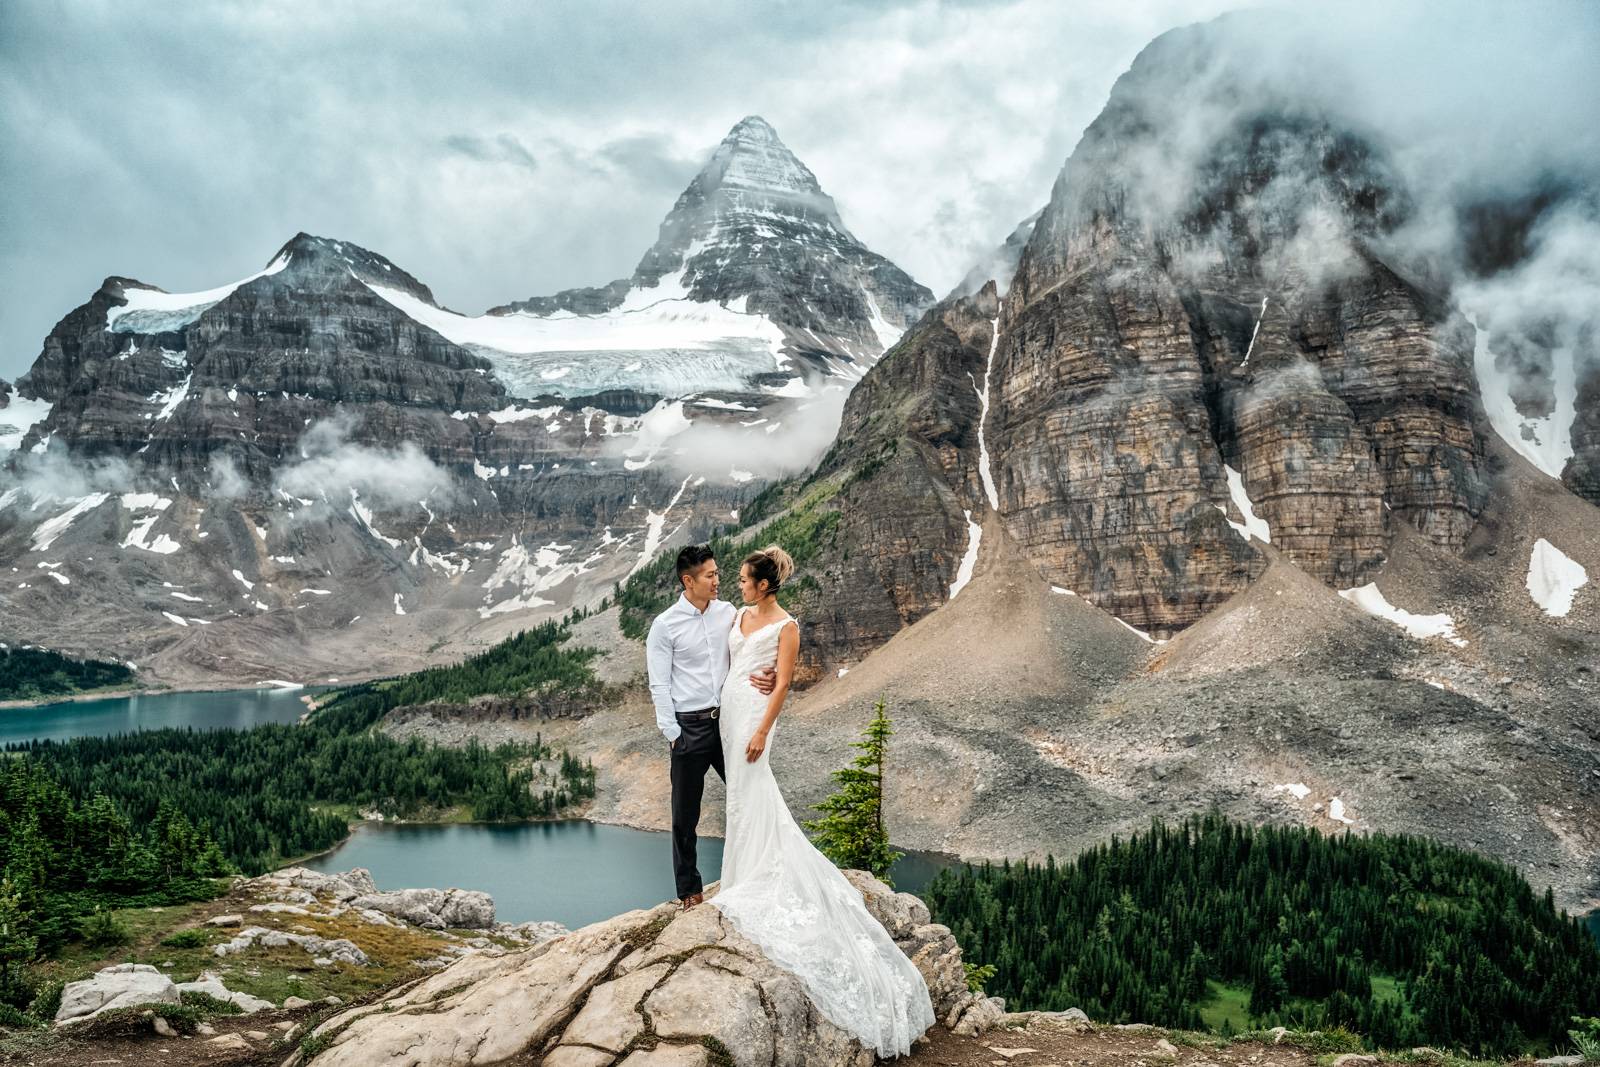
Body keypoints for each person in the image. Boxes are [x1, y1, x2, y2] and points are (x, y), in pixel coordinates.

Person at [709, 544, 935, 1058]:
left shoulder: (787, 626)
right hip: (730, 707)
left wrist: (764, 727)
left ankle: (758, 874)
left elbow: (784, 680)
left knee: (754, 787)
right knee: (741, 799)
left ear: (765, 585)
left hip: (754, 718)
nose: (739, 586)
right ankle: (746, 870)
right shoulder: (741, 615)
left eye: (745, 580)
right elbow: (735, 659)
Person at [646, 544, 775, 908]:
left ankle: (760, 869)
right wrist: (674, 735)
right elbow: (658, 683)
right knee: (685, 816)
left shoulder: (728, 613)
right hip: (689, 729)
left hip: (728, 724)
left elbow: (749, 650)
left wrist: (772, 672)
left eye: (718, 573)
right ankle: (690, 890)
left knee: (750, 792)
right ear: (688, 581)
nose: (718, 580)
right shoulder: (664, 625)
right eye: (710, 575)